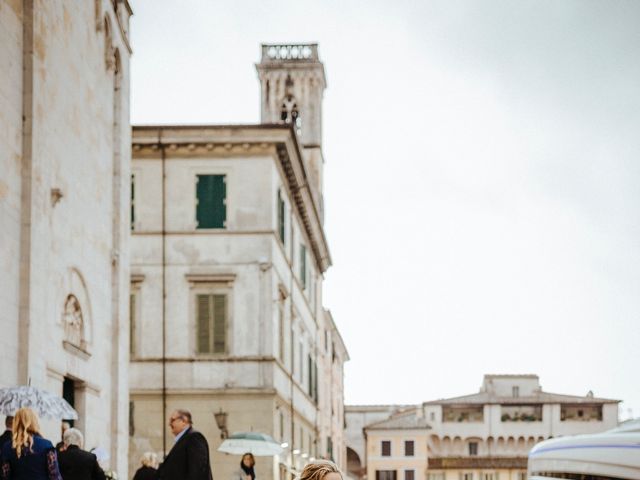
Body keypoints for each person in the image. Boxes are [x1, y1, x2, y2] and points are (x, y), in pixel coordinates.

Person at [0, 407, 62, 480]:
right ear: (34, 422)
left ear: (15, 423)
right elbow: (55, 475)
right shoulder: (46, 445)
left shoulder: (7, 447)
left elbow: (4, 476)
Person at [156, 409, 212, 480]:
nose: (169, 424)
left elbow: (197, 471)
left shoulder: (194, 438)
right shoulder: (184, 439)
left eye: (172, 420)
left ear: (184, 421)